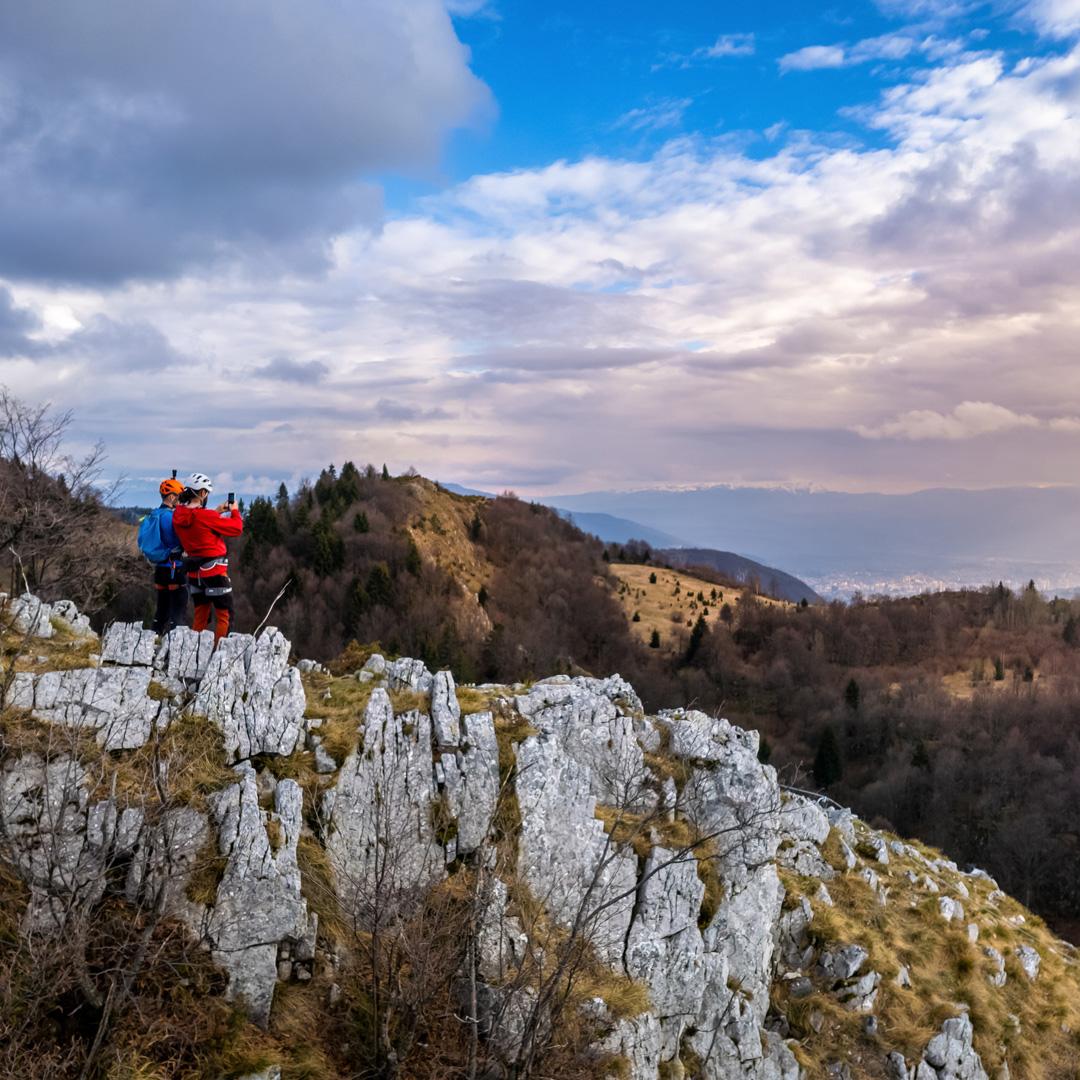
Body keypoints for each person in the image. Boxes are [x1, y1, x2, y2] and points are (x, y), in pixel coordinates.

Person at [172, 472, 243, 643]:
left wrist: (217, 512)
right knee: (225, 615)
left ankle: (193, 654)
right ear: (202, 493)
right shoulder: (205, 516)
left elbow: (198, 523)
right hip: (214, 572)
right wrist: (234, 512)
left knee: (201, 616)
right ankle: (219, 654)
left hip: (194, 574)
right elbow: (236, 528)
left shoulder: (178, 515)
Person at [137, 477, 188, 636]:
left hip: (160, 569)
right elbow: (182, 540)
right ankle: (175, 648)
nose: (181, 501)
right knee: (177, 613)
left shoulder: (154, 514)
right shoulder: (171, 517)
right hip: (174, 568)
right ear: (172, 497)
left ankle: (152, 640)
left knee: (161, 611)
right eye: (179, 497)